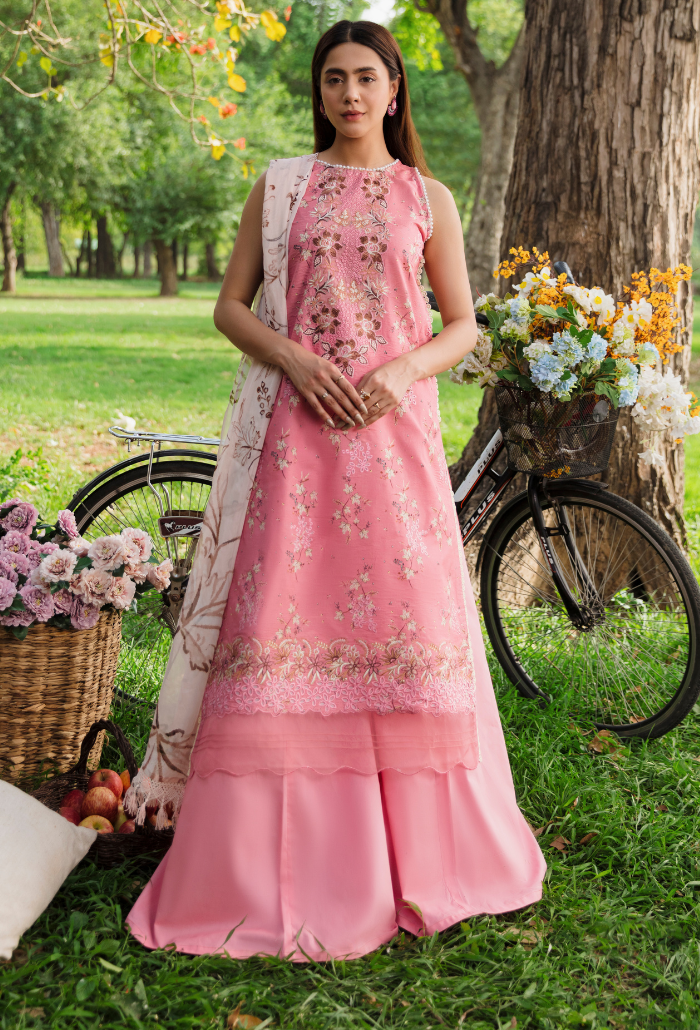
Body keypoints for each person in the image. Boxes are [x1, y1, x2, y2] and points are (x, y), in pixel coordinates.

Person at [126, 19, 545, 961]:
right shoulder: (281, 186)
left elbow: (463, 324)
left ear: (394, 92)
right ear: (318, 93)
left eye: (366, 78)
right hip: (295, 443)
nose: (349, 94)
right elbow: (230, 305)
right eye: (333, 80)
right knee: (286, 621)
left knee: (403, 628)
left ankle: (423, 857)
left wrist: (403, 371)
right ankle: (266, 867)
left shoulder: (426, 196)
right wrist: (294, 359)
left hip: (393, 444)